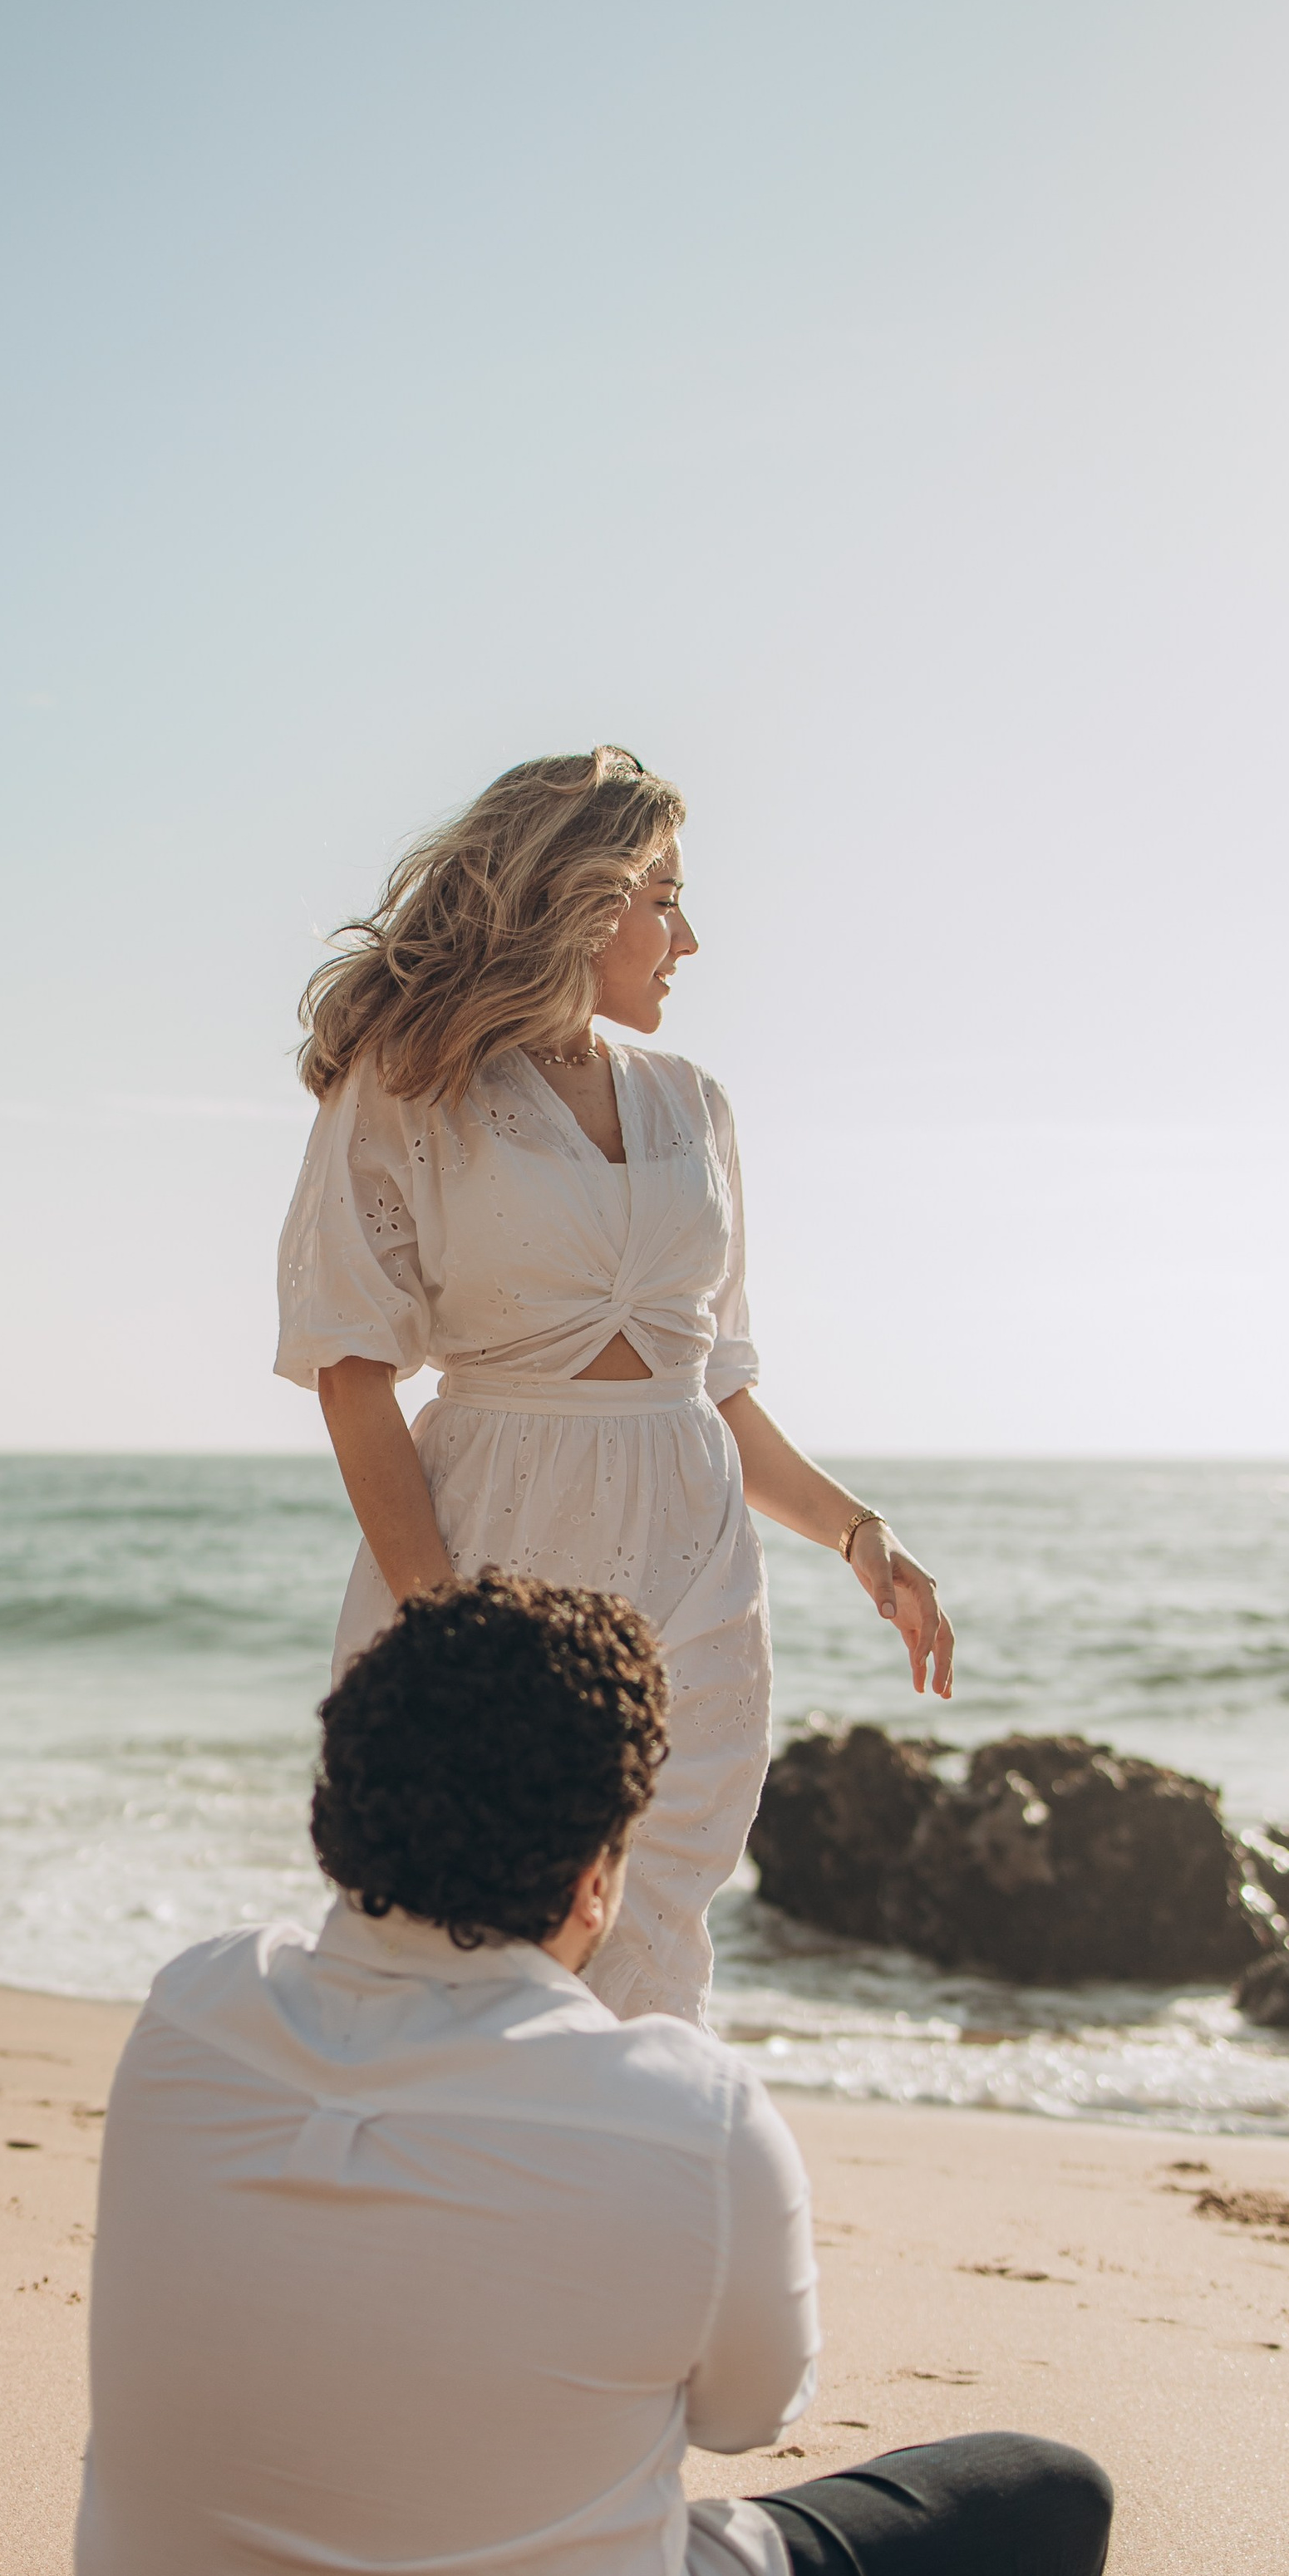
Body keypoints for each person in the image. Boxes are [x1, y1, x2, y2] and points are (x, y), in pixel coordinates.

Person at [51, 1572, 1112, 2576]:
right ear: (596, 1871)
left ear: (342, 1804)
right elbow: (749, 2415)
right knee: (1048, 2502)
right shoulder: (683, 2111)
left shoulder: (191, 2007)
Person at [274, 745, 957, 2028]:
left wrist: (859, 1534)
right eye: (665, 899)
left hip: (695, 1575)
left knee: (651, 1944)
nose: (688, 939)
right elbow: (350, 1374)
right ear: (577, 901)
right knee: (467, 1951)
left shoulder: (695, 1106)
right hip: (489, 1562)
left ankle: (630, 2155)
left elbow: (716, 1384)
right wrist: (447, 1630)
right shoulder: (408, 1084)